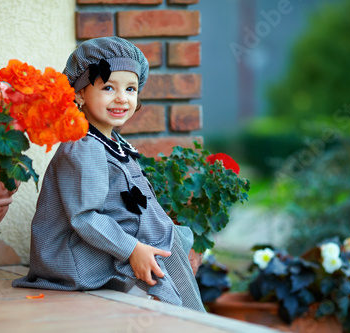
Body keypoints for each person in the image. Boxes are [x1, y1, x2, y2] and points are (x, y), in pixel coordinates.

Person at [12, 37, 205, 312]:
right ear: (79, 94)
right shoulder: (82, 146)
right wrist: (132, 249)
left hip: (100, 245)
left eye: (130, 88)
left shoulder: (112, 141)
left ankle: (184, 311)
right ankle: (166, 305)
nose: (121, 98)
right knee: (158, 253)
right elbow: (84, 217)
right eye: (108, 87)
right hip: (76, 257)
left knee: (168, 239)